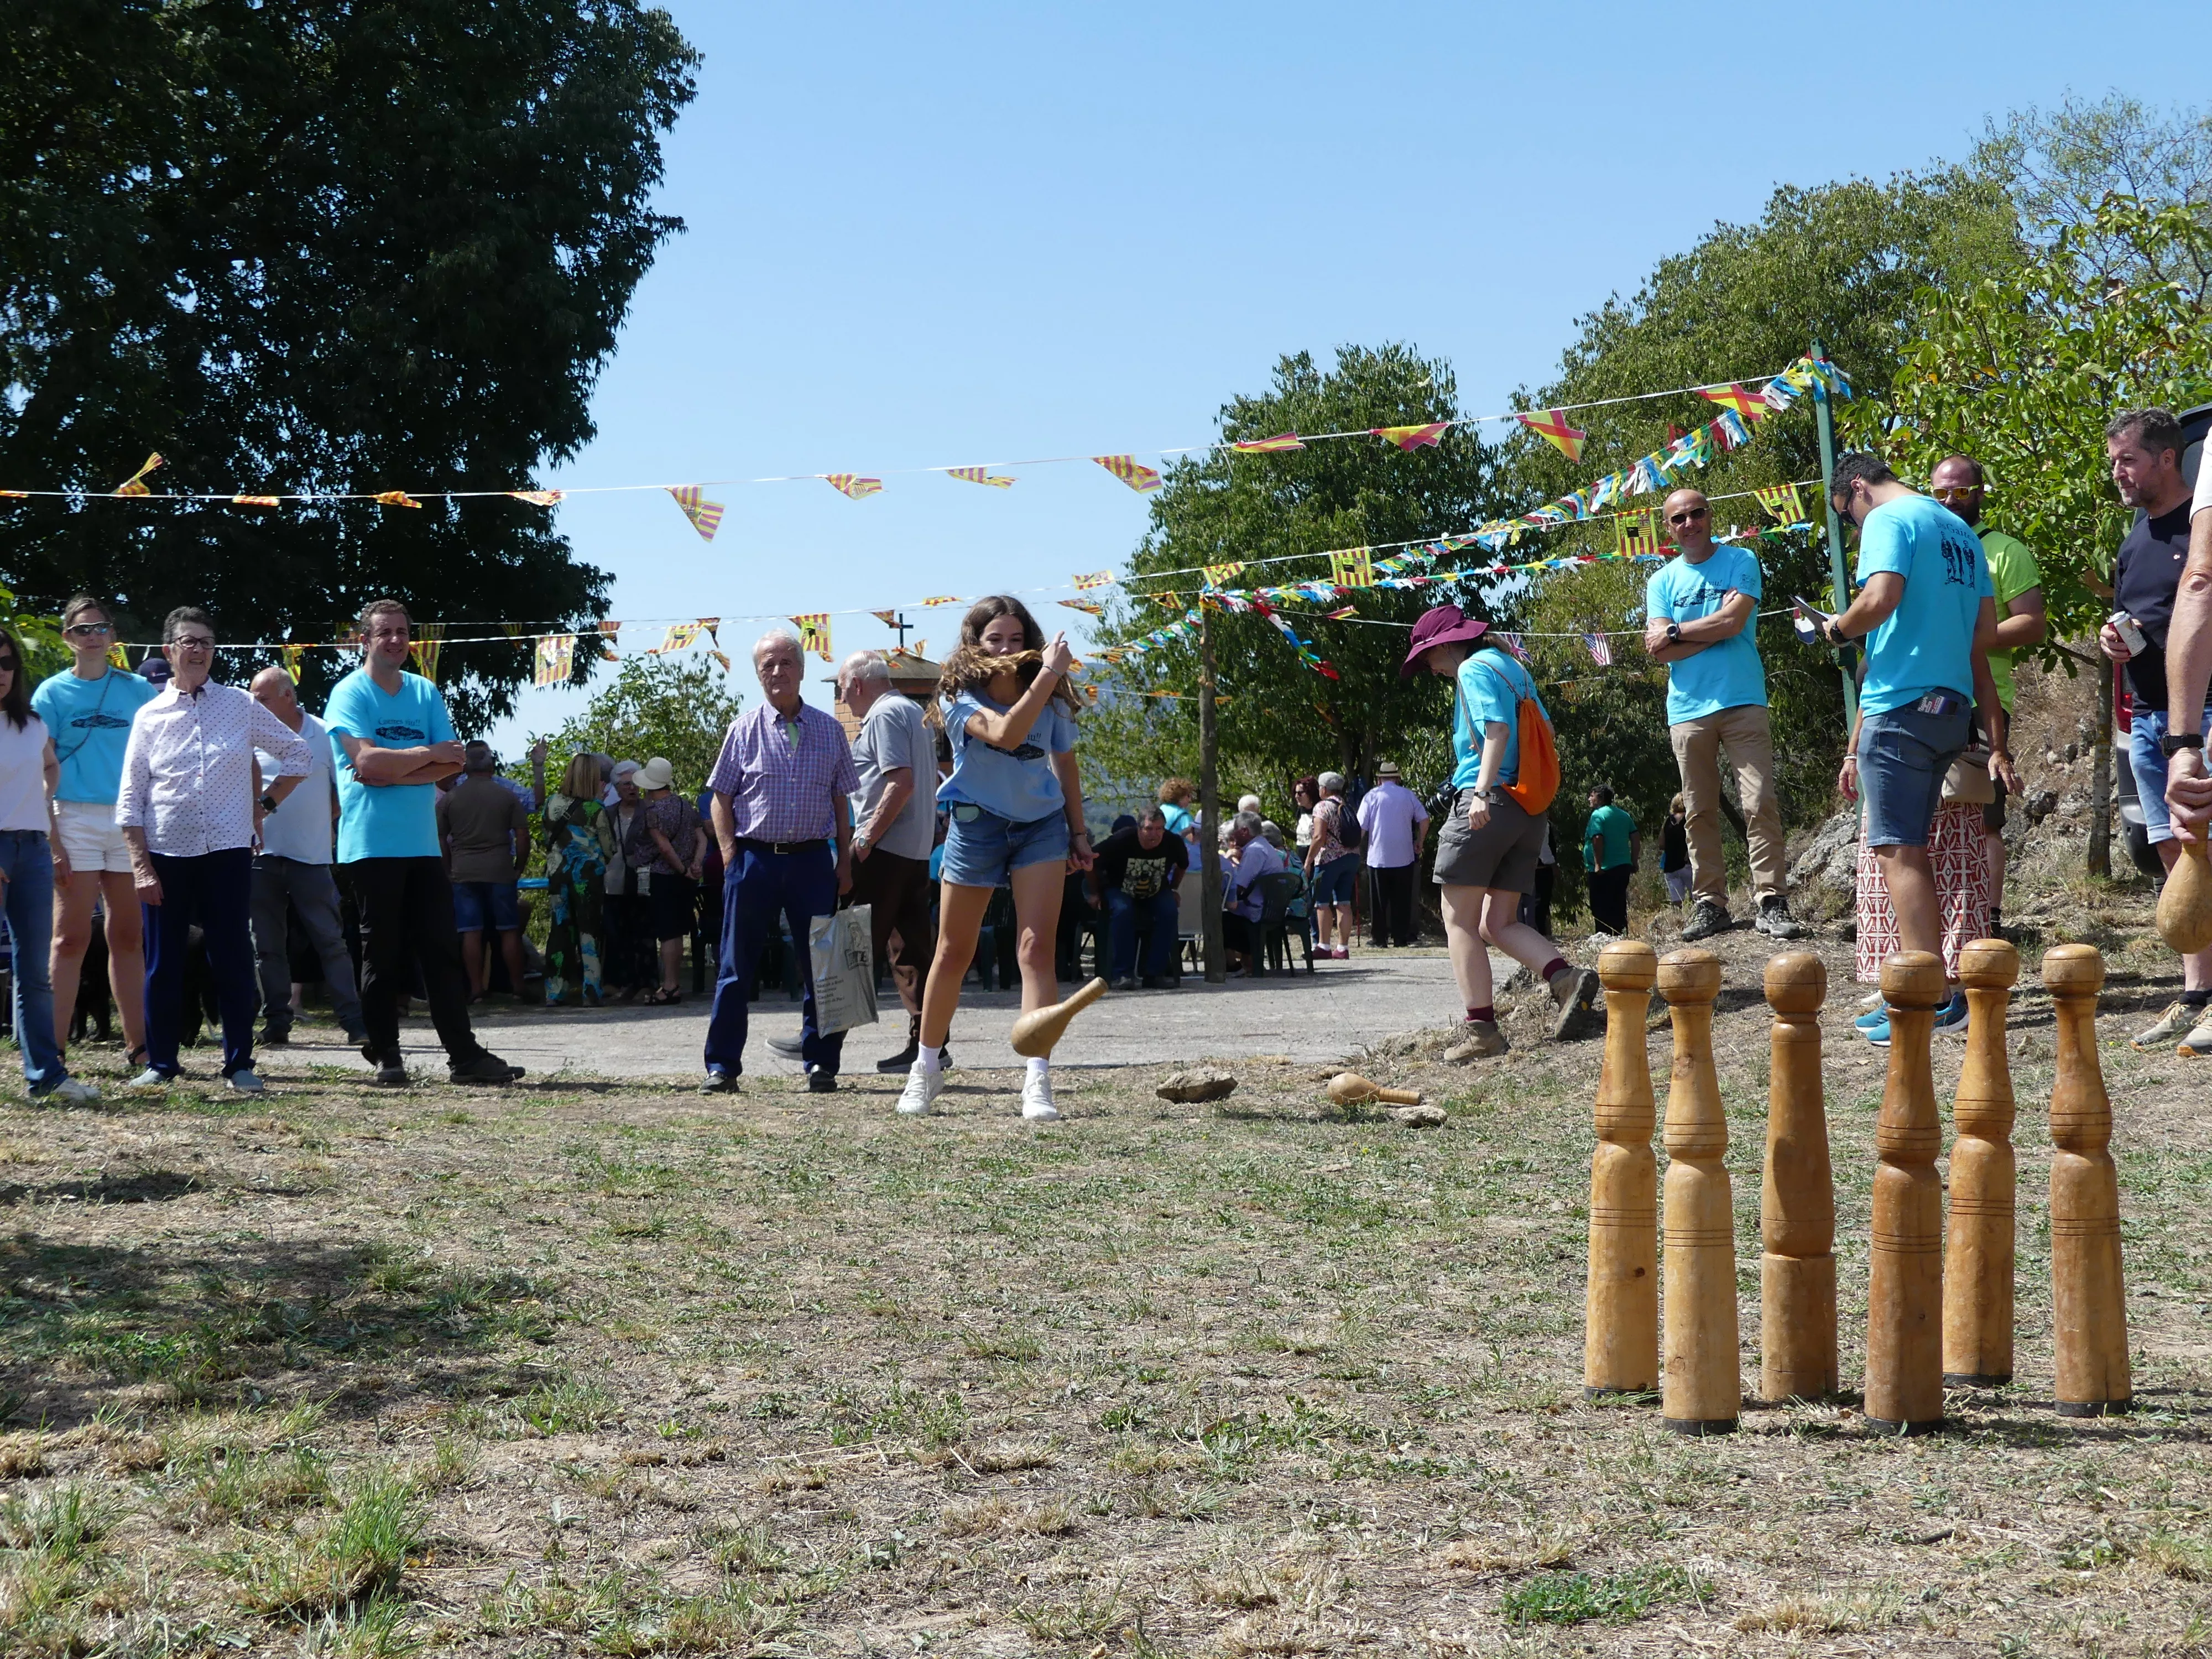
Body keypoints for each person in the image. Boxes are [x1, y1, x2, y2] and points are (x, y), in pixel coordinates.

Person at [1804, 454, 2015, 1045]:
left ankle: (1927, 1000)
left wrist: (1837, 629)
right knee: (1916, 852)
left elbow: (1879, 597)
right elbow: (1983, 641)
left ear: (1857, 490)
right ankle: (1929, 992)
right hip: (1952, 709)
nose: (1854, 528)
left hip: (1899, 707)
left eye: (1847, 517)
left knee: (1899, 854)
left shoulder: (1887, 519)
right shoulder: (1962, 535)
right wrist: (1990, 727)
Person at [896, 597, 1091, 1120]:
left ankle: (1037, 1081)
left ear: (1029, 640)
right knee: (952, 952)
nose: (1006, 648)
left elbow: (1064, 763)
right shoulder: (959, 694)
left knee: (1035, 951)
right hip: (975, 827)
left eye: (1015, 638)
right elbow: (1005, 734)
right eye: (994, 639)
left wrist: (1078, 832)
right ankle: (926, 1069)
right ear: (974, 644)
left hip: (1041, 829)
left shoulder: (1052, 699)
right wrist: (1049, 672)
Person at [323, 598, 523, 1087]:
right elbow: (366, 766)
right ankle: (388, 1057)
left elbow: (454, 764)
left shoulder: (424, 690)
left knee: (441, 951)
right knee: (382, 953)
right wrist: (423, 757)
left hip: (424, 845)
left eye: (402, 632)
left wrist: (396, 766)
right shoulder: (349, 693)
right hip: (370, 845)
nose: (395, 640)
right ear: (364, 640)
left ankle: (465, 1057)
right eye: (384, 632)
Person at [116, 607, 316, 1092]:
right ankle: (161, 1062)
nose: (200, 650)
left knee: (230, 957)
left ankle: (239, 1063)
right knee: (164, 961)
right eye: (189, 642)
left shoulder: (240, 705)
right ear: (169, 651)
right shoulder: (148, 716)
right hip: (166, 854)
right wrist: (141, 867)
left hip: (228, 851)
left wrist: (262, 807)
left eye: (207, 642)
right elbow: (130, 799)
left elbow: (301, 754)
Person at [1405, 602, 1595, 1056]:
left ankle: (1481, 1033)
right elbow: (1544, 729)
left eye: (1428, 656)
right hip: (1529, 809)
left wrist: (1480, 792)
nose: (1430, 668)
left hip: (1487, 803)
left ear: (1448, 645)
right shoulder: (1512, 666)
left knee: (1459, 920)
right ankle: (1566, 980)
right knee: (1499, 921)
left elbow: (1497, 729)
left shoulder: (1472, 668)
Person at [2082, 410, 2210, 1052]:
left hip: (2203, 720)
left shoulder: (2203, 528)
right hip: (2148, 720)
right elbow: (2138, 619)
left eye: (2126, 460)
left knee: (2207, 851)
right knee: (2172, 855)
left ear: (2168, 457)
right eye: (2112, 462)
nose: (2117, 474)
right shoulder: (2133, 541)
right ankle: (2196, 995)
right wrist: (2115, 639)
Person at [1641, 487, 1803, 941]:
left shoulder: (1741, 560)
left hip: (1742, 700)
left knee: (1758, 803)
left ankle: (1772, 900)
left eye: (1696, 514)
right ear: (1669, 528)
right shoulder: (1660, 582)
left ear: (1710, 516)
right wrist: (1714, 628)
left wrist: (1678, 632)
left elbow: (1734, 624)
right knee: (1697, 810)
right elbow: (1658, 651)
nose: (1689, 523)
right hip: (1688, 709)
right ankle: (1710, 904)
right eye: (1679, 518)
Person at [702, 630, 859, 1095]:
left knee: (822, 967)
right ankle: (723, 1066)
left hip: (813, 860)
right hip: (754, 861)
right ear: (758, 674)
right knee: (735, 965)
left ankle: (821, 1064)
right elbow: (720, 797)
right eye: (768, 665)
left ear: (802, 669)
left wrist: (845, 861)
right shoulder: (743, 729)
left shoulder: (830, 730)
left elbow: (841, 803)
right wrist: (730, 854)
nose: (777, 672)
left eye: (786, 662)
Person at [34, 596, 155, 1071]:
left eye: (101, 628)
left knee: (128, 936)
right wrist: (53, 836)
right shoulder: (50, 694)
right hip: (72, 818)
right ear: (68, 638)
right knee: (69, 938)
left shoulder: (140, 690)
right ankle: (53, 1051)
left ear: (113, 636)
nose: (93, 636)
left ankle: (140, 1049)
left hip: (127, 819)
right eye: (83, 630)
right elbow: (39, 770)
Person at [1929, 455, 2047, 938]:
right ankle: (1942, 923)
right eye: (1940, 493)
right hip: (1927, 697)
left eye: (1960, 492)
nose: (1950, 501)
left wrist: (1970, 637)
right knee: (1935, 818)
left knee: (1984, 816)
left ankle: (1988, 922)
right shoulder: (1926, 551)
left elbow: (2033, 623)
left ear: (1981, 492)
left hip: (1985, 699)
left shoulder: (2004, 550)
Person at [0, 626, 98, 1102]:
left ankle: (46, 1076)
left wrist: (44, 797)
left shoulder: (32, 722)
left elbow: (50, 765)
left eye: (6, 663)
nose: (1, 673)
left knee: (34, 970)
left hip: (34, 849)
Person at [247, 666, 366, 1045]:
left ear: (288, 696)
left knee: (331, 942)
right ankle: (277, 1023)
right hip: (260, 857)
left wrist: (318, 825)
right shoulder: (247, 735)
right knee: (267, 946)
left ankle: (354, 1022)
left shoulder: (324, 733)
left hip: (312, 857)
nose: (255, 705)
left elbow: (341, 797)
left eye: (262, 698)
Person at [839, 649, 943, 1071]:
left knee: (852, 944)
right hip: (915, 852)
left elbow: (900, 783)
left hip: (883, 851)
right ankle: (929, 1045)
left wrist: (863, 840)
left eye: (844, 689)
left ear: (859, 684)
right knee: (913, 952)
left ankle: (822, 1042)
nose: (844, 699)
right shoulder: (917, 714)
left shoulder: (883, 716)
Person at [435, 740, 534, 1003]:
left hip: (464, 872)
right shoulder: (507, 796)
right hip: (500, 869)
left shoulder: (451, 799)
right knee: (509, 930)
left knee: (471, 931)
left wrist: (449, 869)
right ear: (492, 767)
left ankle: (477, 989)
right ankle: (518, 988)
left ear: (465, 767)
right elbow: (523, 837)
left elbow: (441, 838)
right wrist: (518, 868)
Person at [627, 755, 704, 1005]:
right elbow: (702, 838)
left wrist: (681, 869)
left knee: (668, 933)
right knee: (679, 931)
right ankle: (673, 983)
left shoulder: (652, 812)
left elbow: (664, 847)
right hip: (686, 879)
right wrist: (695, 865)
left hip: (664, 876)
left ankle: (670, 986)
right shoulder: (685, 805)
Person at [541, 754, 616, 1005]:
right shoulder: (595, 809)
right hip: (587, 878)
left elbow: (546, 838)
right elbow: (609, 848)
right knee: (589, 931)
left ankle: (555, 991)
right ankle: (591, 991)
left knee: (560, 931)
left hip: (557, 875)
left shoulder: (552, 803)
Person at [1089, 806, 1187, 989]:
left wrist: (1173, 888)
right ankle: (1123, 974)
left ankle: (1154, 973)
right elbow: (1092, 861)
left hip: (1156, 889)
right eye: (1149, 829)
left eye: (1160, 829)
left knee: (1169, 912)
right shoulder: (1122, 839)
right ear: (1139, 828)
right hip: (1119, 888)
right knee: (1123, 911)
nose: (1155, 834)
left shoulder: (1173, 842)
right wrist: (1095, 892)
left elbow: (1182, 865)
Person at [1357, 760, 1427, 948]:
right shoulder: (1408, 795)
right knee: (1402, 899)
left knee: (1379, 901)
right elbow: (1424, 819)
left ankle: (1379, 938)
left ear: (1379, 779)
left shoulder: (1371, 796)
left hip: (1378, 856)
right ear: (1397, 778)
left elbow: (1361, 827)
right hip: (1404, 855)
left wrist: (1355, 847)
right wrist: (1420, 841)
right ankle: (1400, 937)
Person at [601, 759, 654, 999]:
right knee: (614, 933)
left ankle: (646, 982)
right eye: (625, 784)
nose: (631, 788)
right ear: (617, 787)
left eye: (635, 783)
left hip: (643, 879)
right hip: (613, 880)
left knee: (643, 933)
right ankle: (616, 981)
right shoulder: (608, 813)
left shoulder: (650, 810)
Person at [1219, 810, 1285, 973]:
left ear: (1244, 831)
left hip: (1257, 911)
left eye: (1235, 830)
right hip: (1270, 909)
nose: (1233, 834)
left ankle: (1233, 965)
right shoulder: (1265, 847)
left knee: (1219, 916)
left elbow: (1238, 888)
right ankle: (1248, 960)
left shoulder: (1255, 851)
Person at [1304, 771, 1358, 961]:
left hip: (1329, 859)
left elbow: (1319, 837)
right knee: (1343, 903)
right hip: (1351, 858)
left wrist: (1308, 861)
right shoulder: (1347, 805)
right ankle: (1342, 948)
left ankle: (1323, 946)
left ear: (1324, 789)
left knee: (1321, 902)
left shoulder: (1323, 807)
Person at [1580, 786, 1639, 936]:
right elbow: (1635, 838)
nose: (1589, 799)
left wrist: (1598, 864)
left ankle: (1604, 937)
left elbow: (1598, 838)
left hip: (1604, 869)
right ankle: (1620, 936)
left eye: (1592, 796)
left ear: (1600, 798)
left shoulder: (1597, 815)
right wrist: (1634, 861)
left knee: (1600, 906)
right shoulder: (1624, 815)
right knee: (1618, 903)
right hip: (1623, 866)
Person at [1661, 795, 1692, 907]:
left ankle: (1679, 922)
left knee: (1677, 902)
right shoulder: (1690, 818)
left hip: (1670, 867)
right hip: (1687, 864)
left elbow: (1661, 844)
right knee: (1697, 898)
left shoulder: (1668, 821)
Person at [1158, 778, 1198, 843]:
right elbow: (1193, 840)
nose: (1190, 800)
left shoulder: (1161, 808)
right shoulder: (1182, 815)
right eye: (1188, 796)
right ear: (1180, 796)